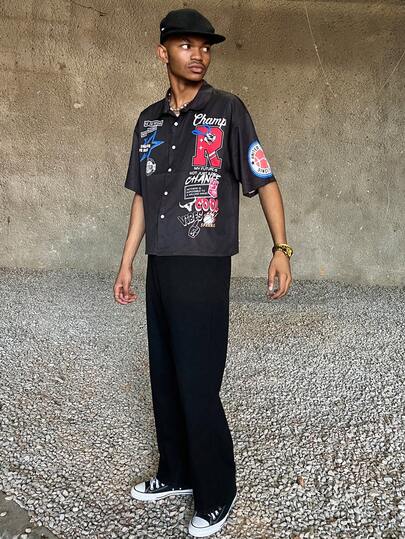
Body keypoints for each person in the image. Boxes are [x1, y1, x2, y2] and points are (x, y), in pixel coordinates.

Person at [113, 7, 293, 538]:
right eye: (186, 45)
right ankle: (176, 473)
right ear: (163, 52)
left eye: (205, 47)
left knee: (197, 381)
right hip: (161, 264)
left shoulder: (228, 110)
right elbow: (142, 197)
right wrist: (127, 261)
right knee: (165, 376)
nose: (199, 55)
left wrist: (281, 248)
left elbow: (264, 179)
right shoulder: (148, 120)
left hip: (204, 265)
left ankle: (217, 492)